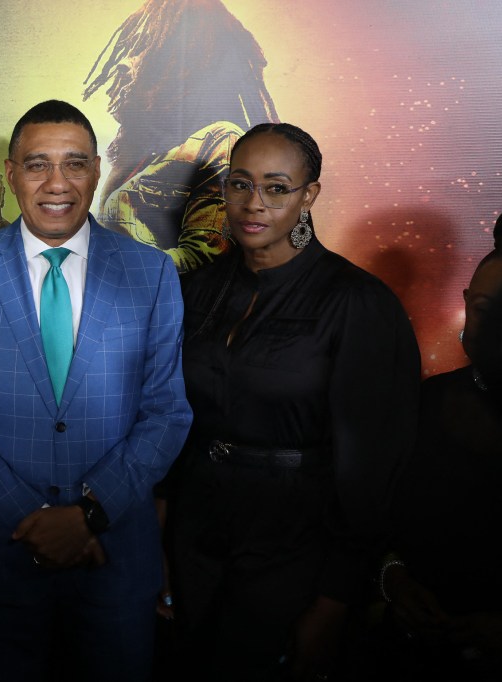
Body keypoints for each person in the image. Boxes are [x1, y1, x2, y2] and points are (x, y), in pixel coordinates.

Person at [0, 99, 192, 681]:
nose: (57, 183)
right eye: (38, 164)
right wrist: (36, 519)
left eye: (74, 164)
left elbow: (167, 412)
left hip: (116, 561)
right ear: (12, 174)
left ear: (96, 171)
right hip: (0, 559)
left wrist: (88, 516)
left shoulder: (151, 272)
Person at [163, 122, 421, 681]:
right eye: (239, 184)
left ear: (310, 195)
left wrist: (334, 601)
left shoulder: (358, 304)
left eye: (277, 188)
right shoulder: (196, 290)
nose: (253, 204)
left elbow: (373, 467)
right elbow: (171, 420)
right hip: (195, 534)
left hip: (295, 544)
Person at [368, 247, 502, 680]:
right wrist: (395, 579)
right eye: (485, 309)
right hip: (413, 652)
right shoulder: (425, 401)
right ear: (465, 303)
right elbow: (380, 514)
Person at [82, 0, 278, 274]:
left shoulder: (221, 141)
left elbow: (204, 258)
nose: (125, 63)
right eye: (131, 48)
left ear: (183, 63)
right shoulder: (137, 155)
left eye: (142, 48)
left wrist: (113, 267)